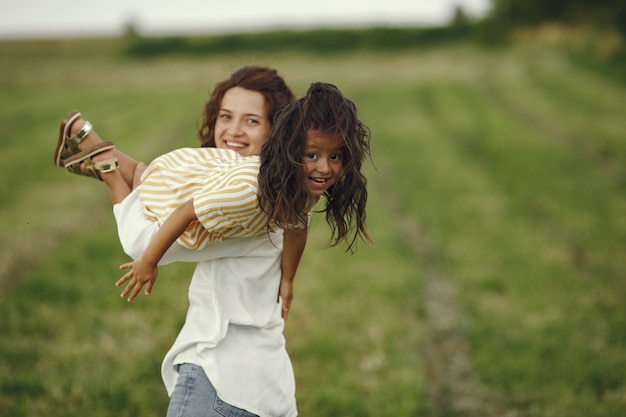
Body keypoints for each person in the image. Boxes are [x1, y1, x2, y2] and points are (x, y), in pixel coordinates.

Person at [56, 66, 307, 417]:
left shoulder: (246, 199)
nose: (233, 131)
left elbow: (142, 244)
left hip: (222, 379)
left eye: (251, 121)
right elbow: (160, 184)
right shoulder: (278, 188)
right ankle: (98, 151)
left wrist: (113, 177)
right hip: (268, 384)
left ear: (276, 131)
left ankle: (104, 162)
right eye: (225, 117)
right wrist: (289, 277)